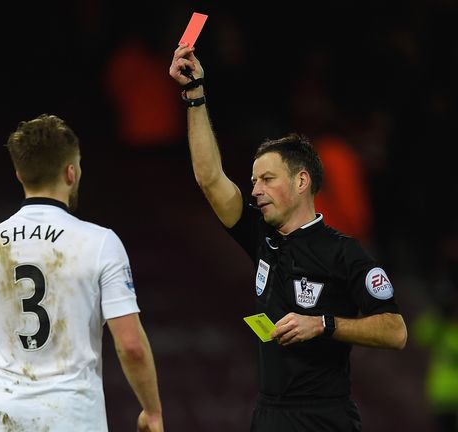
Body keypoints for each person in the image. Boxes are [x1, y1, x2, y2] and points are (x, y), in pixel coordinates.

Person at [169, 44, 407, 432]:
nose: (256, 190)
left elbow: (396, 331)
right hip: (269, 414)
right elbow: (209, 179)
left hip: (324, 417)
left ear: (301, 181)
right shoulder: (260, 236)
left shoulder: (344, 253)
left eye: (266, 179)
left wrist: (325, 324)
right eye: (253, 181)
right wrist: (194, 96)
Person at [0, 114, 164, 431]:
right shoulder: (99, 243)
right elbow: (131, 346)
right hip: (73, 414)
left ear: (19, 174)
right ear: (71, 172)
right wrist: (152, 411)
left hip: (5, 414)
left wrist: (4, 411)